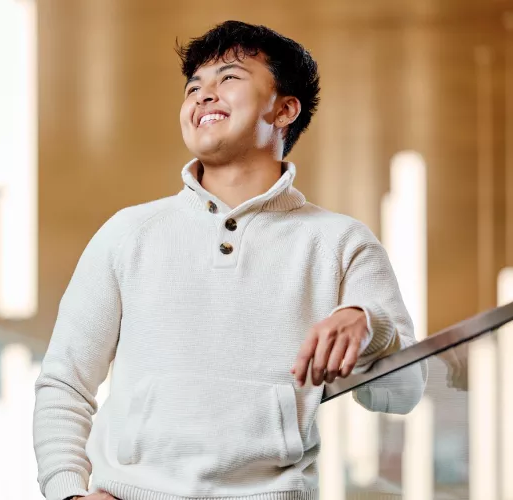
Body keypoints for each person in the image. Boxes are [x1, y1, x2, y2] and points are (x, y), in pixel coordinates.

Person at [33, 20, 427, 500]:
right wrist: (68, 494)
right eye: (193, 86)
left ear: (284, 109)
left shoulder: (341, 243)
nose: (203, 95)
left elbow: (406, 392)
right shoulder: (128, 233)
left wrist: (368, 323)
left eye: (230, 78)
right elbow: (64, 383)